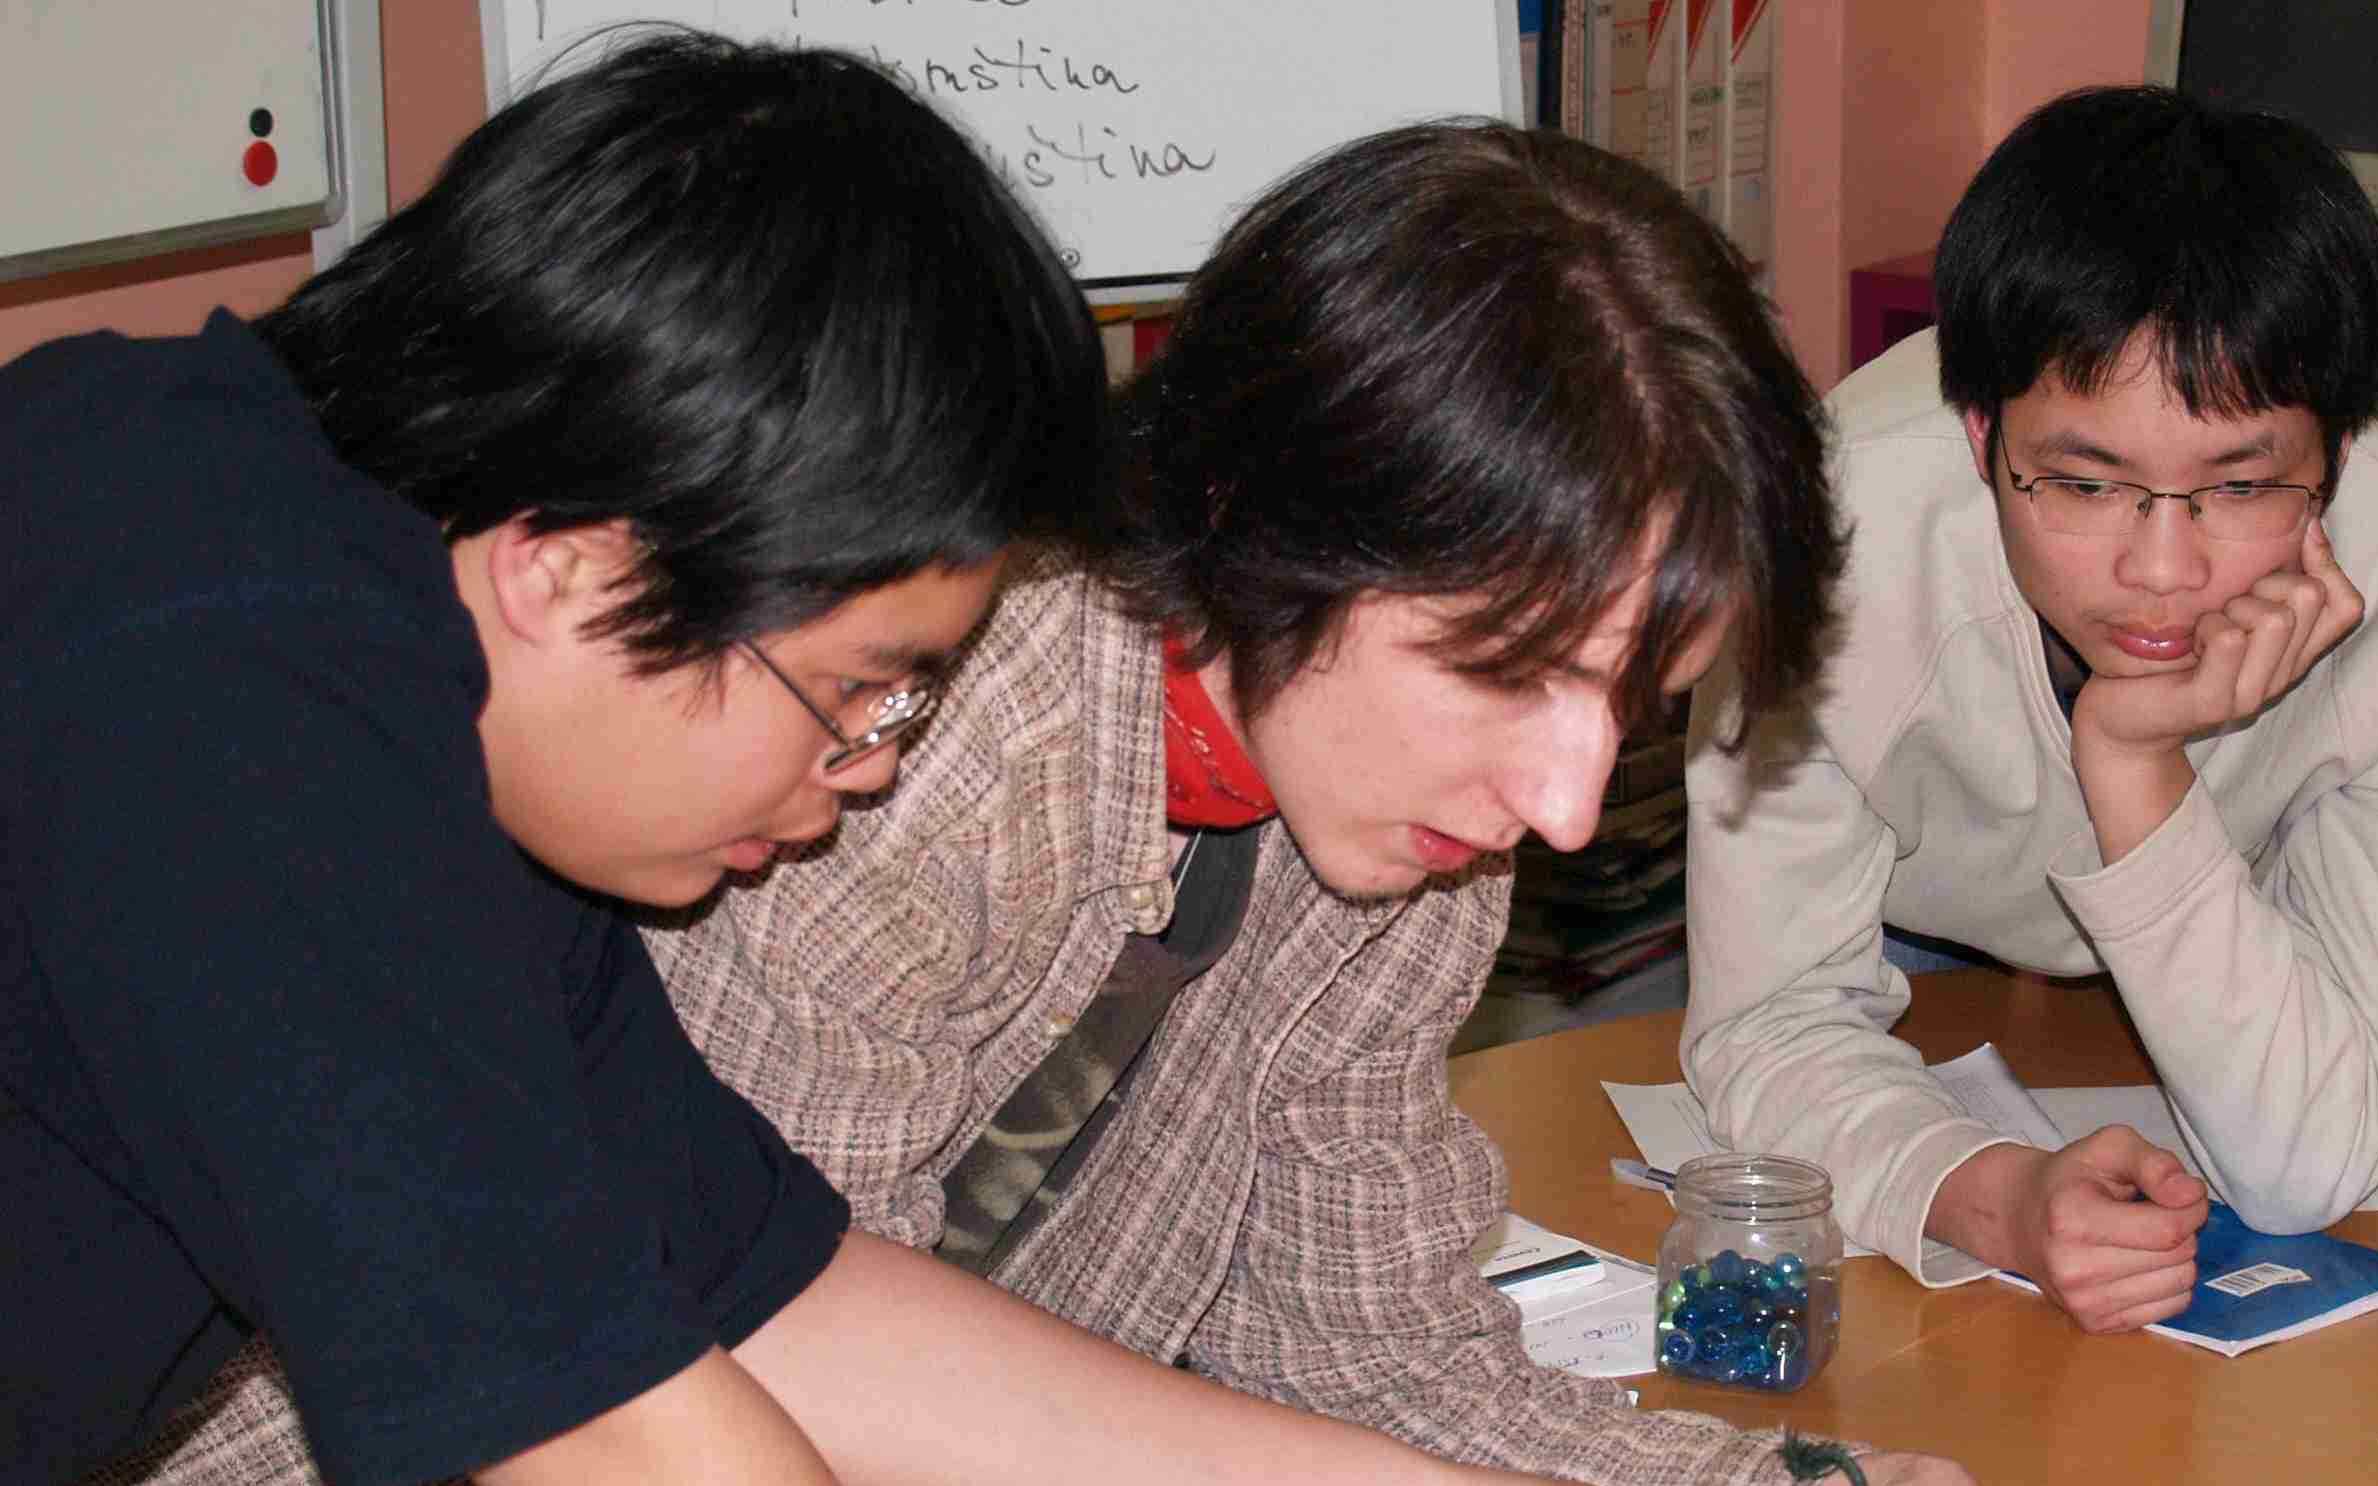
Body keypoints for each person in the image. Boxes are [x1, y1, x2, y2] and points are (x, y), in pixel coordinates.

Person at [109, 122, 1969, 1486]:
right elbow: (744, 1370)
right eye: (1504, 670)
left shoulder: (1402, 832)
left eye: (1629, 704)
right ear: (1274, 518)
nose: (1566, 807)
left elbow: (1368, 1353)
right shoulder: (906, 738)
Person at [11, 30, 1207, 1486]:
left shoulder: (450, 749)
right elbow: (603, 1434)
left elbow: (767, 1305)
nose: (873, 768)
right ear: (573, 571)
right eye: (856, 692)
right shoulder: (212, 653)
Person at [1680, 85, 2378, 1336]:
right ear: (1980, 434)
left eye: (2241, 487)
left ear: (2341, 450)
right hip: (1902, 905)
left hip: (2217, 911)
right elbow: (1770, 1021)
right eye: (2084, 484)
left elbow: (2303, 1162)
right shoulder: (1815, 559)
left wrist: (2136, 762)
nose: (2161, 571)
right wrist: (1990, 1196)